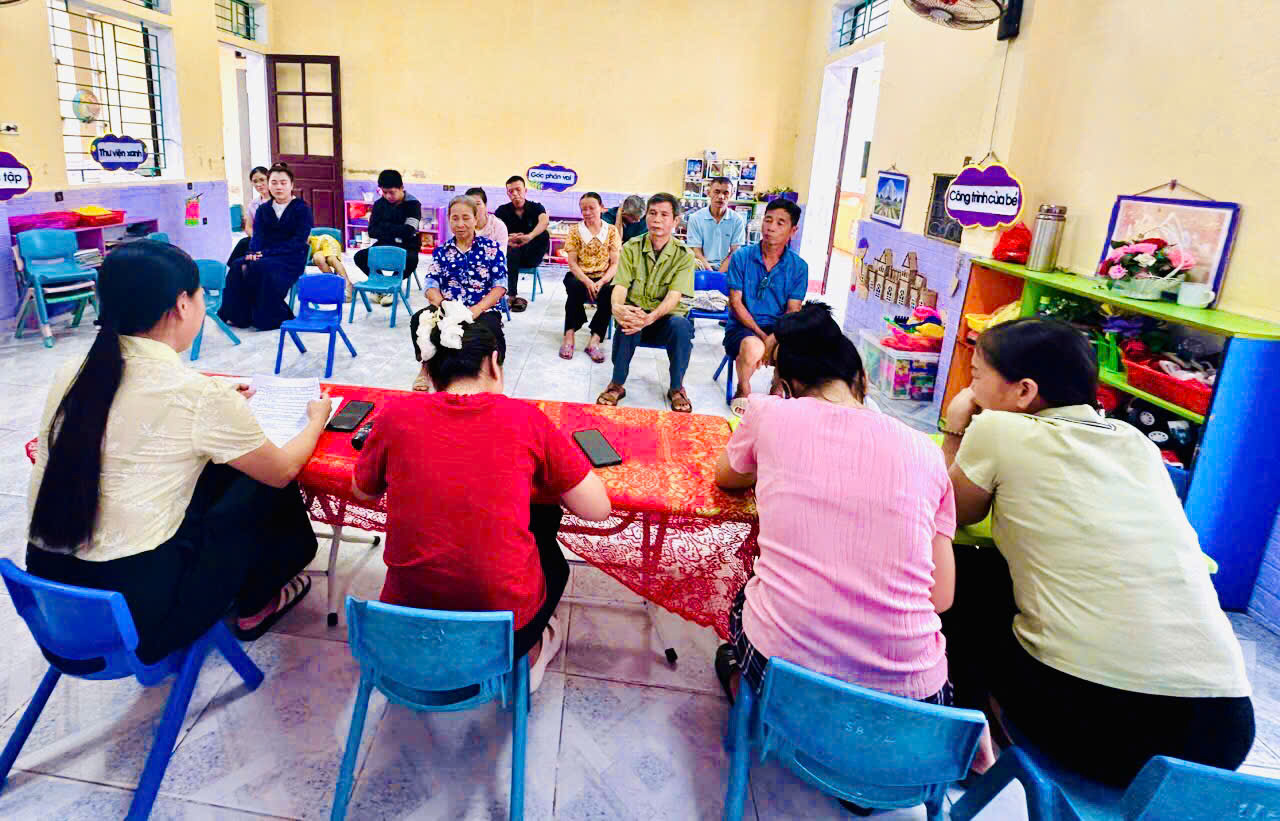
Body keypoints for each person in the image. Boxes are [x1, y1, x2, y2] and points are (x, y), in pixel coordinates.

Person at [941, 317, 1253, 785]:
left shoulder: (1000, 429)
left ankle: (968, 749)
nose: (972, 387)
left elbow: (950, 510)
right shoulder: (1136, 442)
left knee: (961, 577)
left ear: (1024, 391)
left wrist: (955, 426)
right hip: (1223, 733)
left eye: (978, 376)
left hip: (1101, 723)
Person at [25, 241, 328, 664]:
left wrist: (217, 396)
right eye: (201, 294)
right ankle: (259, 600)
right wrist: (316, 419)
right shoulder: (195, 396)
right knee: (260, 483)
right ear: (182, 304)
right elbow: (283, 470)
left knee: (216, 470)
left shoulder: (73, 373)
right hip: (139, 617)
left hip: (51, 598)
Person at [353, 309, 612, 692]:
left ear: (427, 369)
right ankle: (533, 652)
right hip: (502, 633)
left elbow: (363, 491)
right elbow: (597, 508)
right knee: (552, 560)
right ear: (493, 362)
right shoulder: (525, 419)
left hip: (405, 624)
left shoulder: (395, 416)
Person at [596, 193, 696, 413]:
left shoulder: (685, 256)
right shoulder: (631, 247)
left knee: (681, 326)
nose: (657, 219)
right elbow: (620, 286)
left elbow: (674, 296)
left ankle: (677, 388)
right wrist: (618, 308)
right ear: (645, 217)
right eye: (652, 213)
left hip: (665, 321)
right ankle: (616, 384)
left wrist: (649, 318)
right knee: (627, 321)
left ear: (675, 220)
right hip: (637, 316)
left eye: (664, 215)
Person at [409, 195, 508, 390]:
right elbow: (430, 283)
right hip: (448, 307)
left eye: (466, 218)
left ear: (475, 219)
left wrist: (476, 310)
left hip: (482, 309)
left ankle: (491, 374)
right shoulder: (442, 251)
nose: (460, 224)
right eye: (455, 218)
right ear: (449, 220)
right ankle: (426, 367)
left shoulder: (491, 249)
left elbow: (500, 286)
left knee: (493, 332)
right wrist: (444, 305)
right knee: (418, 320)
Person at [725, 199, 808, 416]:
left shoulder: (799, 267)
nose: (771, 227)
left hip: (780, 328)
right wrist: (763, 336)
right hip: (742, 327)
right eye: (768, 220)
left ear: (793, 231)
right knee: (753, 347)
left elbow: (793, 310)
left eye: (780, 223)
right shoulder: (741, 257)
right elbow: (735, 302)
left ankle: (777, 387)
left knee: (793, 348)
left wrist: (776, 335)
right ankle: (743, 388)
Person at [219, 162, 312, 331]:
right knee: (238, 265)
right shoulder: (263, 210)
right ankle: (238, 315)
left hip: (291, 257)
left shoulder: (301, 208)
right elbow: (258, 236)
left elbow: (298, 241)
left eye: (283, 183)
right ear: (269, 185)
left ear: (292, 185)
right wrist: (252, 252)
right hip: (266, 254)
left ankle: (270, 318)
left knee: (260, 267)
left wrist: (265, 253)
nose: (278, 187)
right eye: (274, 182)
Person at [560, 192, 622, 363]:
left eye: (591, 208)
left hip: (603, 276)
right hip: (580, 276)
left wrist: (601, 281)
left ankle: (594, 340)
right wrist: (587, 281)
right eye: (583, 209)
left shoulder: (611, 231)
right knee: (574, 287)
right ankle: (569, 336)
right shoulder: (575, 231)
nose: (587, 212)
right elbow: (572, 263)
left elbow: (615, 264)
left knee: (610, 292)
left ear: (601, 208)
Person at [355, 170, 422, 306]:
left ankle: (392, 288)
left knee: (411, 260)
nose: (387, 196)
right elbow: (372, 231)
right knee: (360, 257)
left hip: (407, 245)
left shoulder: (413, 204)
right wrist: (397, 230)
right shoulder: (379, 204)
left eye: (391, 192)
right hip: (385, 244)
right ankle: (379, 284)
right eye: (384, 192)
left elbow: (409, 231)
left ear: (401, 188)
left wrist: (384, 226)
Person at [494, 175, 549, 313]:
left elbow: (544, 221)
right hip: (510, 256)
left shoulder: (536, 207)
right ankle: (512, 295)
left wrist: (529, 237)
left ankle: (512, 296)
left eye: (518, 189)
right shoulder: (502, 211)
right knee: (512, 250)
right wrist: (509, 239)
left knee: (544, 234)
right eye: (511, 191)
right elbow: (495, 230)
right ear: (507, 194)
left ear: (525, 190)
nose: (515, 194)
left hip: (531, 255)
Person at [686, 177, 746, 272]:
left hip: (727, 267)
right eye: (716, 192)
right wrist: (710, 273)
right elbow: (696, 250)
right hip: (702, 267)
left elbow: (735, 251)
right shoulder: (695, 218)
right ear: (709, 192)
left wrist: (719, 273)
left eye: (726, 193)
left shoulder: (737, 220)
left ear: (731, 194)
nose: (721, 196)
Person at [226, 165, 269, 267]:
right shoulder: (253, 204)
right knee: (243, 245)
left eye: (262, 180)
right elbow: (248, 227)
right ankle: (230, 270)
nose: (259, 184)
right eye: (255, 181)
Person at [307, 230, 363, 302]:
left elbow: (306, 238)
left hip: (326, 241)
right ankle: (335, 284)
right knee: (318, 259)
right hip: (317, 250)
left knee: (331, 259)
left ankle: (347, 283)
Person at [466, 186, 508, 251]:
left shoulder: (498, 226)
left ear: (485, 205)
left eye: (477, 204)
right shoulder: (463, 226)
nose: (474, 208)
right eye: (470, 204)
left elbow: (501, 254)